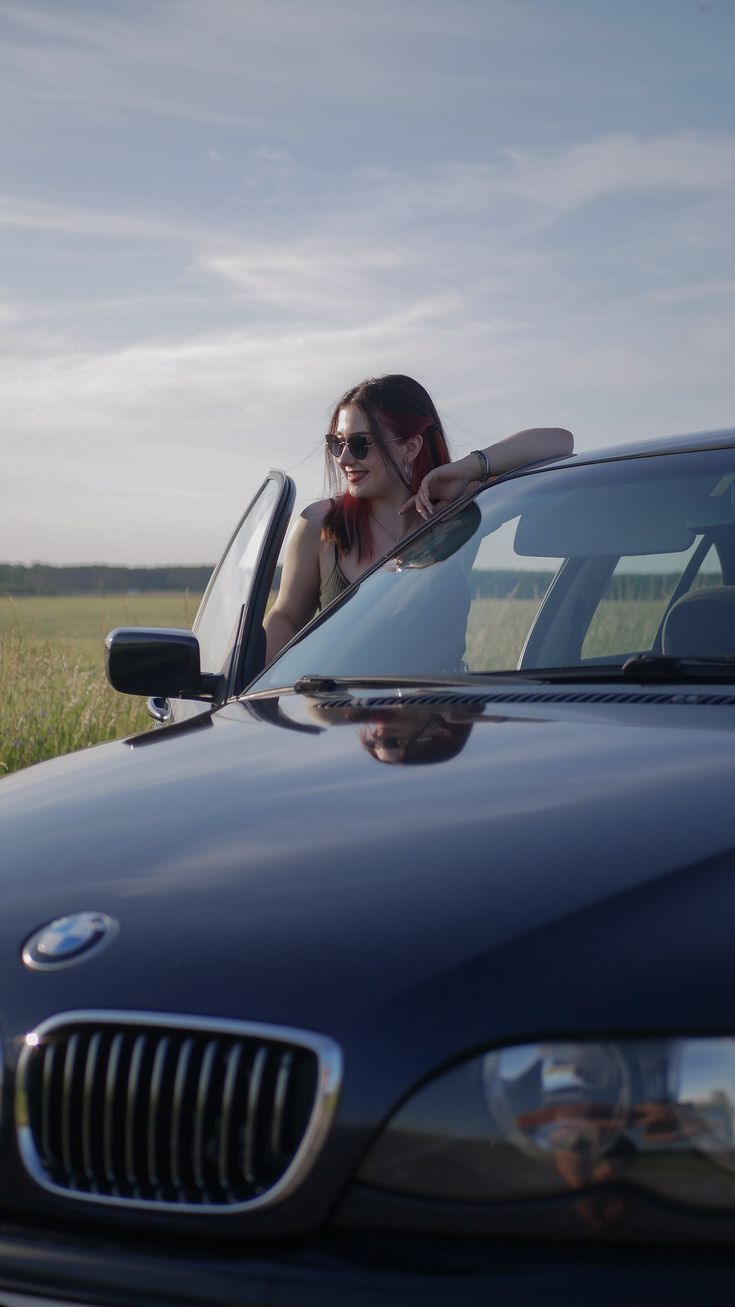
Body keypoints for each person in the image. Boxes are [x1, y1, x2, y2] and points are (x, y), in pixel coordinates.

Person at [264, 374, 573, 662]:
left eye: (360, 444)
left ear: (410, 447)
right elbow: (285, 618)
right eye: (337, 443)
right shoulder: (321, 524)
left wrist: (469, 467)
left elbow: (560, 442)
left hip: (441, 714)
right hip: (341, 714)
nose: (344, 458)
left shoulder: (456, 515)